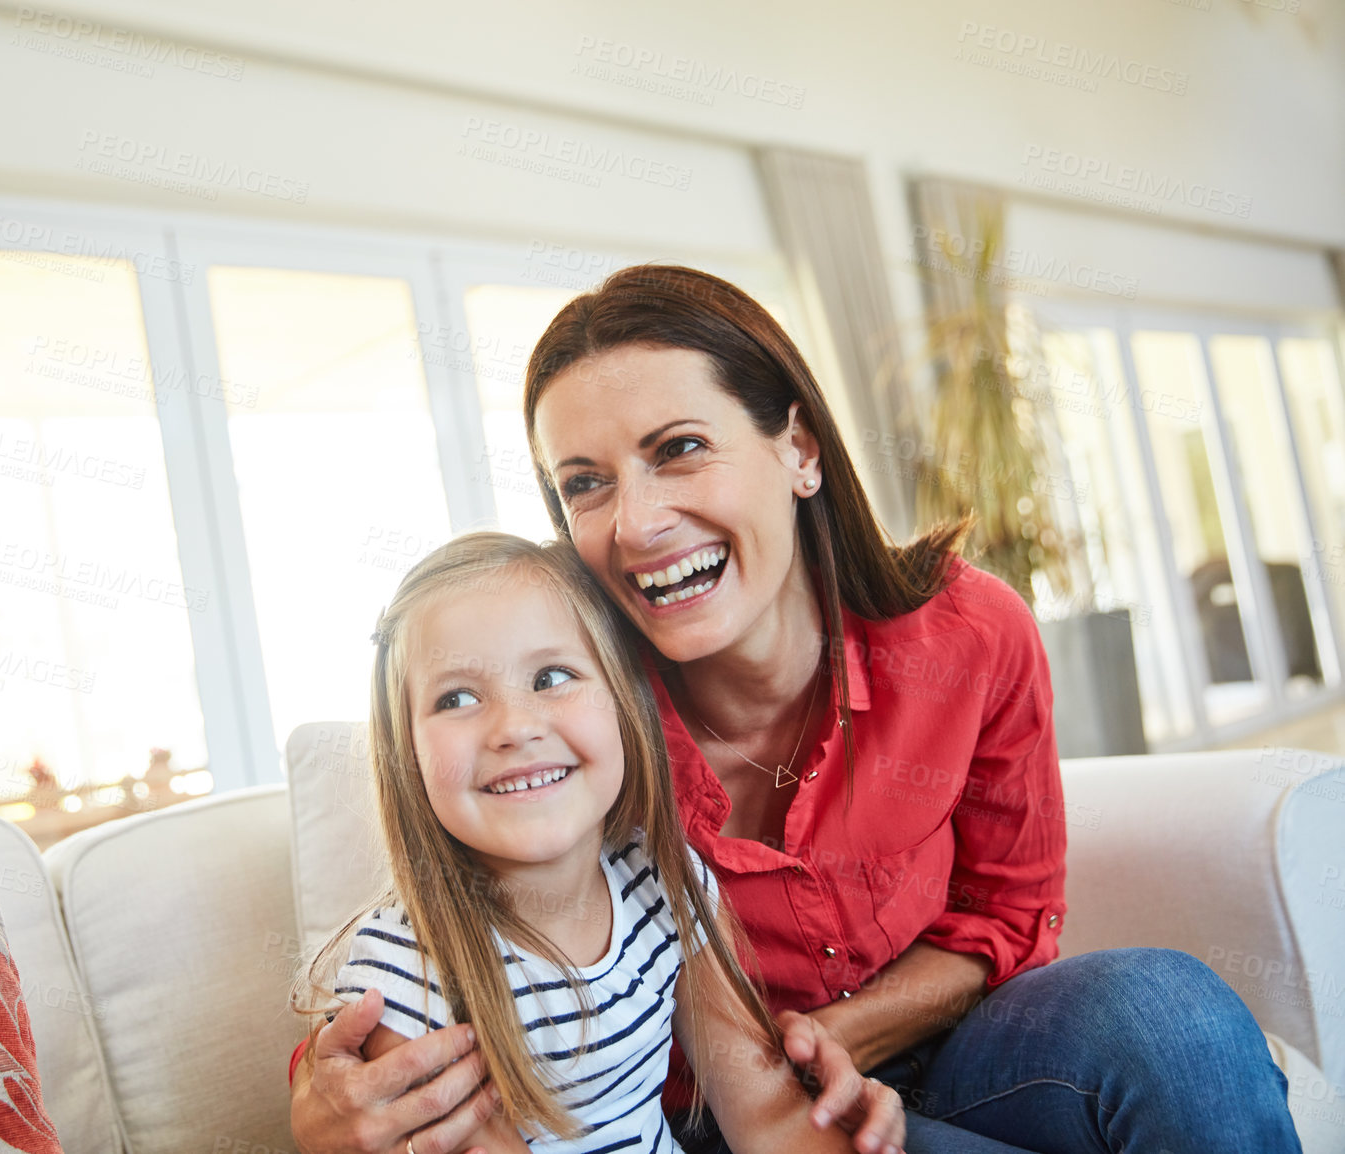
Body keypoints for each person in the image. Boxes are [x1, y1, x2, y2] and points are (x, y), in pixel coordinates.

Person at [290, 264, 1300, 1153]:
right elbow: (457, 921)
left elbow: (1005, 913)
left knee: (1170, 1016)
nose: (636, 522)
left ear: (799, 448)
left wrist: (839, 1032)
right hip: (721, 1118)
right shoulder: (576, 715)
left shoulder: (968, 635)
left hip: (946, 1050)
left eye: (678, 447)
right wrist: (324, 1088)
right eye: (585, 484)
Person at [295, 531, 902, 1154]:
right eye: (457, 698)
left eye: (552, 676)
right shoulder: (405, 974)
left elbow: (769, 1117)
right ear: (407, 757)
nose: (515, 727)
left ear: (623, 705)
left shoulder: (665, 882)